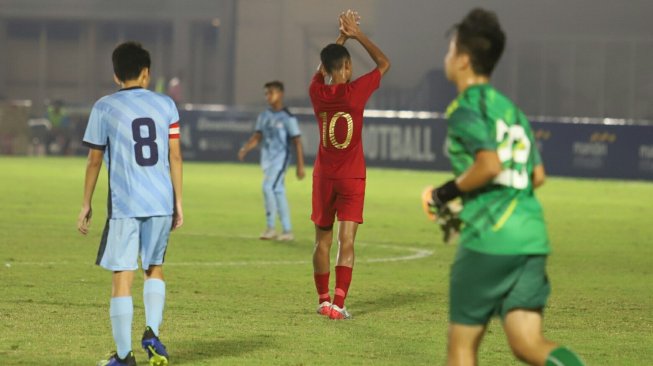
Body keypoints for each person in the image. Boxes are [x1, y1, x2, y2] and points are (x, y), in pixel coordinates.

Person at [430, 8, 585, 366]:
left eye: (450, 50)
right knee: (528, 344)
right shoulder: (510, 109)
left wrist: (445, 194)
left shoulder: (465, 108)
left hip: (491, 238)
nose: (447, 57)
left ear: (464, 60)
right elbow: (537, 175)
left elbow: (489, 165)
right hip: (531, 238)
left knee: (461, 348)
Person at [77, 41, 183, 366]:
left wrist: (86, 204)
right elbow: (175, 156)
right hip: (161, 201)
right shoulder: (166, 105)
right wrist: (179, 201)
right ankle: (152, 331)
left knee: (122, 276)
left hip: (125, 204)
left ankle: (124, 356)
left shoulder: (104, 107)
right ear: (147, 73)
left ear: (115, 75)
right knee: (155, 268)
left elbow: (95, 160)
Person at [309, 10, 390, 320]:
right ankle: (339, 304)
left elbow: (320, 71)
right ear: (346, 66)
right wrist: (357, 34)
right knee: (347, 241)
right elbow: (384, 64)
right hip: (352, 177)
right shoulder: (356, 93)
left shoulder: (317, 93)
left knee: (322, 240)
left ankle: (323, 299)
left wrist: (340, 38)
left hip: (324, 176)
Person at [239, 81, 305, 241]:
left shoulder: (288, 117)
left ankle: (270, 228)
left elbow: (297, 141)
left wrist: (300, 166)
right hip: (267, 160)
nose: (268, 96)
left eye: (271, 93)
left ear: (281, 94)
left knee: (268, 187)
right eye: (266, 93)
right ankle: (287, 230)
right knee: (278, 191)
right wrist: (246, 148)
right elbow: (257, 136)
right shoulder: (264, 116)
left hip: (280, 160)